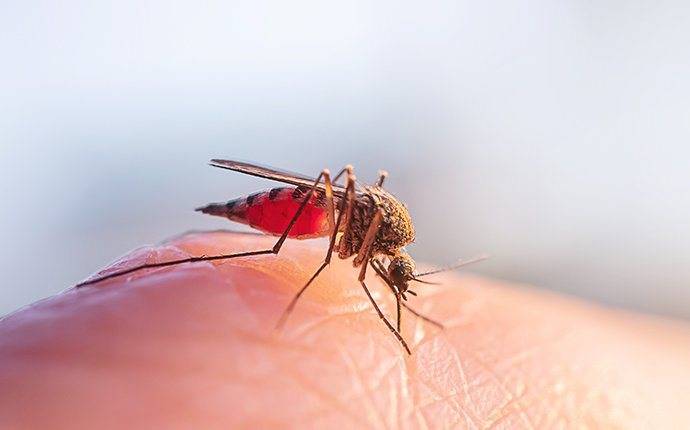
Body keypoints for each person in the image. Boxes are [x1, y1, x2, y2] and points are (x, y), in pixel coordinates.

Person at [1, 231, 688, 429]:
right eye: (396, 281)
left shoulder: (385, 254)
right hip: (314, 211)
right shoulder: (372, 241)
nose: (388, 279)